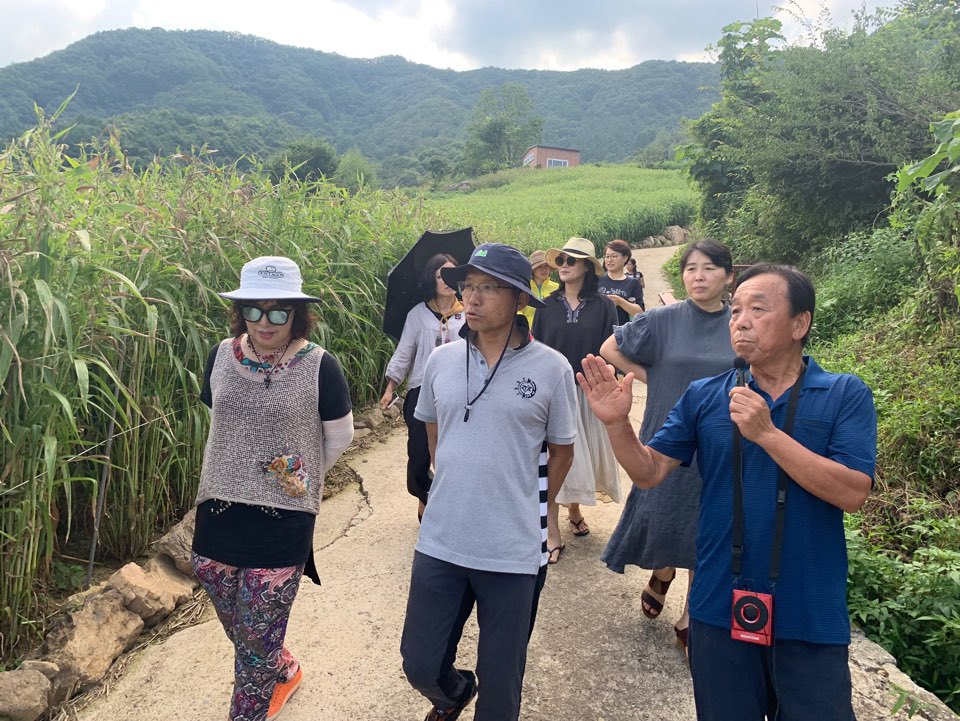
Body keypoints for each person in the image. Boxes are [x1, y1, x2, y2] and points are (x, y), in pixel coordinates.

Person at [578, 264, 876, 721]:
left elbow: (852, 492)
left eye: (758, 309)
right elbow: (650, 472)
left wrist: (768, 434)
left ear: (800, 323)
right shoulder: (705, 395)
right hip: (718, 606)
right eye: (735, 310)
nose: (740, 321)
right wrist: (617, 424)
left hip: (809, 612)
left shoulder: (844, 393)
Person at [401, 243, 577, 721]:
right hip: (442, 539)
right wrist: (459, 484)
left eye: (488, 288)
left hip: (513, 549)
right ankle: (454, 694)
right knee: (419, 663)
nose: (472, 298)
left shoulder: (551, 368)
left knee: (501, 688)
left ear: (520, 298)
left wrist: (529, 502)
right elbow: (435, 434)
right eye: (468, 286)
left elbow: (562, 451)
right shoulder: (441, 360)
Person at [192, 256, 354, 721]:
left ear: (297, 314)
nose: (265, 322)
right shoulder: (220, 356)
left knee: (256, 638)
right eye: (253, 310)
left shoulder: (320, 365)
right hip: (219, 507)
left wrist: (295, 478)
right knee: (243, 623)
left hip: (283, 518)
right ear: (240, 311)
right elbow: (223, 420)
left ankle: (252, 704)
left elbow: (339, 436)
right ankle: (281, 665)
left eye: (278, 311)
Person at [599, 239, 736, 651]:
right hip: (668, 430)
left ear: (729, 276)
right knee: (662, 509)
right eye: (691, 268)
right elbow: (610, 348)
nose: (699, 276)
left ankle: (693, 609)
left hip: (721, 439)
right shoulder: (661, 319)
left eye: (709, 268)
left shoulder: (740, 322)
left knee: (706, 520)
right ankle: (662, 571)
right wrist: (653, 377)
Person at [532, 237, 620, 560]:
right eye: (561, 260)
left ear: (586, 267)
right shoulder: (546, 306)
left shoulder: (604, 306)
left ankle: (574, 509)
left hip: (588, 392)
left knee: (581, 459)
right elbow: (535, 348)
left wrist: (610, 382)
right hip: (553, 393)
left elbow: (612, 349)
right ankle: (551, 530)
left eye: (571, 260)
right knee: (552, 459)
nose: (564, 265)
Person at [380, 253, 465, 520]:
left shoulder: (467, 314)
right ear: (432, 279)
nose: (447, 281)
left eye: (452, 275)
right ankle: (424, 494)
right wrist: (390, 387)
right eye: (441, 275)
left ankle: (448, 502)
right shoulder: (418, 314)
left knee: (453, 451)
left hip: (459, 391)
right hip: (421, 390)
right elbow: (404, 352)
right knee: (418, 454)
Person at [597, 239, 644, 324]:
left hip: (623, 330)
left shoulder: (633, 283)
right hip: (600, 330)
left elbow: (640, 313)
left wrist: (620, 302)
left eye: (614, 256)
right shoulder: (598, 280)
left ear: (625, 258)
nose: (609, 260)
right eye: (607, 256)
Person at [520, 249, 558, 328]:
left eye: (546, 265)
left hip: (551, 331)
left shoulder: (557, 288)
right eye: (539, 266)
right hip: (528, 332)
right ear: (533, 270)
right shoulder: (524, 288)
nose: (543, 270)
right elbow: (516, 310)